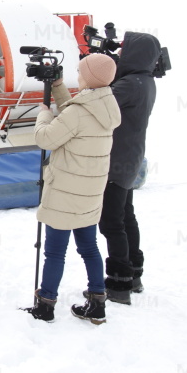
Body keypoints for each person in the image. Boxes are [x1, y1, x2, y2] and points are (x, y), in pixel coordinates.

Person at [25, 53, 121, 324]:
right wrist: (57, 86)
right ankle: (97, 303)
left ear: (88, 77)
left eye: (80, 72)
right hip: (89, 193)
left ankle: (45, 304)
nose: (77, 76)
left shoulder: (80, 112)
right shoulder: (106, 105)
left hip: (65, 193)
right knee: (90, 248)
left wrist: (43, 115)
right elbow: (75, 112)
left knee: (55, 252)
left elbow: (45, 138)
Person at [98, 32, 160, 304]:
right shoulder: (144, 81)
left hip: (115, 164)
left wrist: (98, 72)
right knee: (126, 217)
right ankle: (133, 274)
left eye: (124, 53)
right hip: (129, 160)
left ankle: (119, 283)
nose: (120, 56)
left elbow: (97, 105)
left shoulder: (130, 85)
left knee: (112, 223)